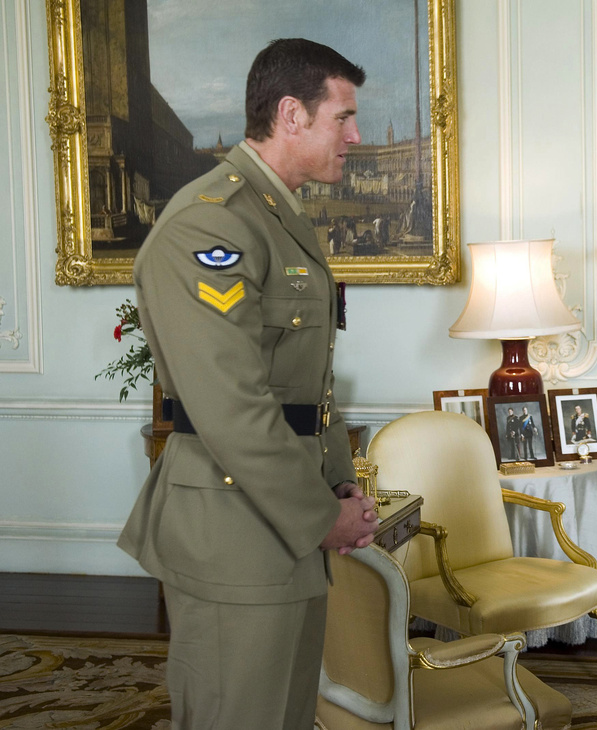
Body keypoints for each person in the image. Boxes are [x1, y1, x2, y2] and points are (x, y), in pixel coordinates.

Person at [117, 38, 378, 730]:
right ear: (291, 114)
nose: (355, 136)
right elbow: (231, 406)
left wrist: (339, 483)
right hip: (234, 536)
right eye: (343, 117)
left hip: (282, 525)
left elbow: (306, 389)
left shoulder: (277, 215)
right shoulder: (212, 223)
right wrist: (321, 516)